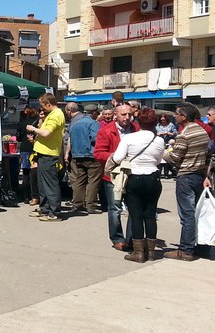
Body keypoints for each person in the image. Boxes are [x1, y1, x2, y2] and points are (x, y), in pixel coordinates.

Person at [107, 108, 165, 263]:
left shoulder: (129, 138)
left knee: (136, 215)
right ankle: (151, 252)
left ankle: (138, 252)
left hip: (135, 177)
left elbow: (117, 158)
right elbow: (159, 159)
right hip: (153, 177)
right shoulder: (159, 140)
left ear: (138, 122)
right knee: (150, 215)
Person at [163, 102, 211, 261]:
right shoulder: (202, 132)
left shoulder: (185, 135)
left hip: (186, 176)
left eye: (177, 114)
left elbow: (174, 157)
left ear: (184, 117)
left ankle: (185, 250)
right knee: (198, 213)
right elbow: (208, 156)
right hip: (199, 175)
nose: (174, 116)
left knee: (187, 215)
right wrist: (206, 175)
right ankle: (201, 247)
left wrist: (163, 152)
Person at [94, 103, 137, 251]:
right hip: (113, 176)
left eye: (129, 114)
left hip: (132, 174)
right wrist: (117, 157)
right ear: (115, 115)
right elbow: (98, 153)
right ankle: (117, 238)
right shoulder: (106, 131)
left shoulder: (136, 129)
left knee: (133, 208)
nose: (127, 117)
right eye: (123, 114)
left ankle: (131, 239)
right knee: (115, 209)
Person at [26, 93, 65, 222]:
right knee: (43, 184)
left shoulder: (55, 115)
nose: (41, 108)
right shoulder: (52, 114)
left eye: (42, 105)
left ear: (48, 104)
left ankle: (54, 212)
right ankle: (45, 209)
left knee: (50, 184)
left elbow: (46, 133)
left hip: (49, 154)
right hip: (43, 153)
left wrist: (33, 129)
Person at [68, 103, 101, 213]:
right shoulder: (93, 123)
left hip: (77, 155)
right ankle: (91, 205)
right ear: (94, 113)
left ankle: (77, 204)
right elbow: (95, 138)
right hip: (91, 155)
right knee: (93, 181)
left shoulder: (75, 124)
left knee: (79, 181)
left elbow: (70, 139)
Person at [17, 106, 40, 204]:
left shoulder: (22, 124)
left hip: (25, 149)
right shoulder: (39, 123)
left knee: (25, 173)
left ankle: (26, 197)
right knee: (35, 173)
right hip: (36, 148)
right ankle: (35, 195)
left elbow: (18, 138)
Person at [156, 113, 178, 178]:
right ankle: (159, 172)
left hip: (169, 143)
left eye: (164, 120)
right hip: (160, 143)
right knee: (160, 158)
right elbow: (154, 133)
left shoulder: (171, 125)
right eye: (161, 120)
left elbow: (176, 134)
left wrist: (168, 133)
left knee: (167, 157)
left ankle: (168, 172)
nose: (163, 121)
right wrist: (158, 134)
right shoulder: (158, 125)